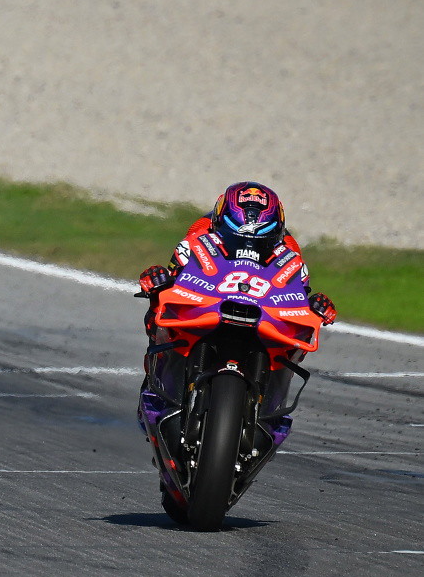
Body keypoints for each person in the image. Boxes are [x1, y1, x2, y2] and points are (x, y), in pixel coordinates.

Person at [137, 181, 336, 448]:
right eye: (244, 217)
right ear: (223, 215)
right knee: (159, 309)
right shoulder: (197, 237)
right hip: (208, 308)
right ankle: (156, 385)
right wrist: (158, 281)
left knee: (297, 342)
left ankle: (266, 412)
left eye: (259, 222)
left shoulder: (291, 255)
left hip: (262, 318)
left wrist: (316, 306)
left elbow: (298, 296)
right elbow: (173, 277)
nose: (251, 227)